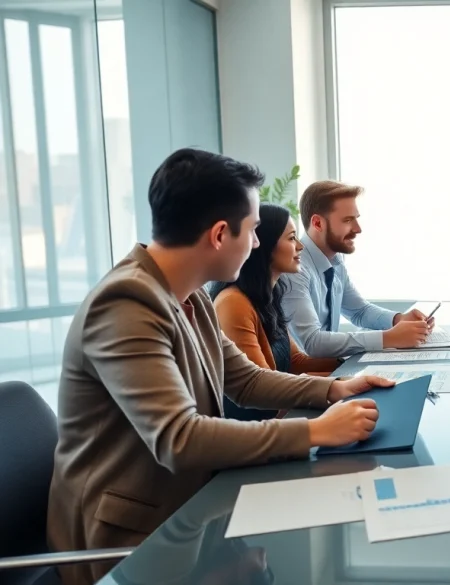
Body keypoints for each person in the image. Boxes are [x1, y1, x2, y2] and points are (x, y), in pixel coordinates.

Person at [48, 148, 391, 584]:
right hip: (127, 543)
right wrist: (315, 430)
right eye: (251, 230)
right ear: (218, 235)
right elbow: (179, 438)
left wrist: (333, 390)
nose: (255, 243)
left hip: (189, 512)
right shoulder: (127, 303)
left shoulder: (189, 296)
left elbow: (244, 379)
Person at [210, 203, 342, 421]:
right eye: (291, 238)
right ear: (264, 245)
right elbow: (262, 387)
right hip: (254, 430)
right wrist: (339, 384)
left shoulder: (266, 296)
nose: (300, 246)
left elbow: (296, 361)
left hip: (277, 417)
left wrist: (350, 363)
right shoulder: (233, 303)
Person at [280, 180, 433, 357]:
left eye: (356, 219)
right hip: (307, 375)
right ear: (318, 223)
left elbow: (359, 311)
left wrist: (398, 320)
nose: (358, 229)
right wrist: (388, 338)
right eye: (347, 220)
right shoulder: (294, 269)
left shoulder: (335, 262)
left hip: (329, 369)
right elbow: (312, 343)